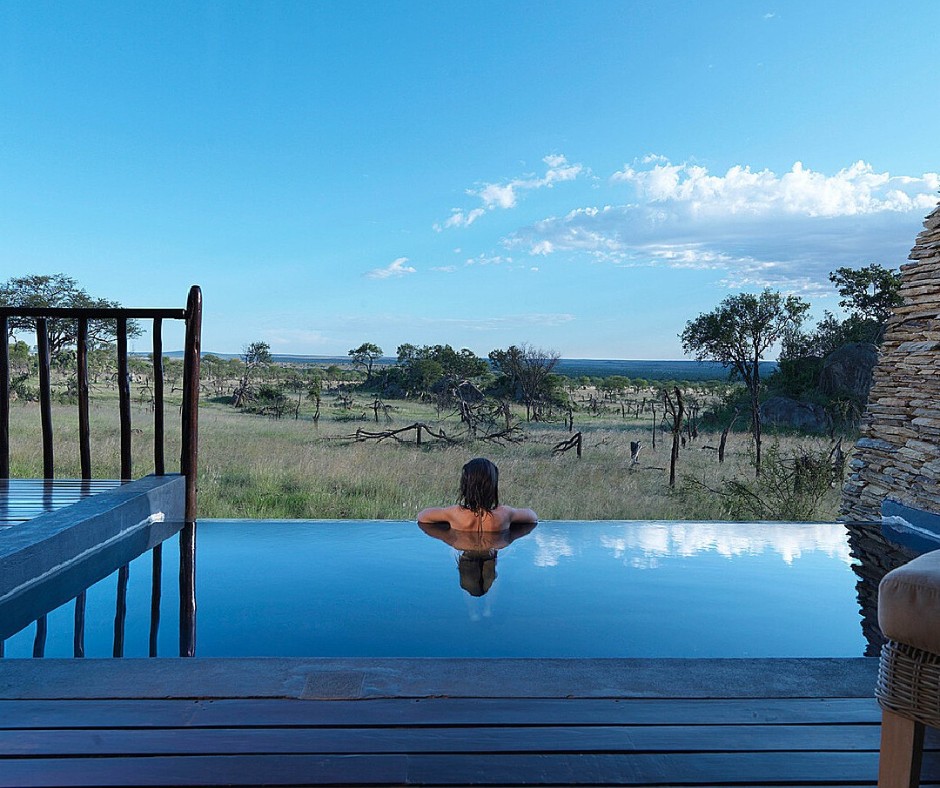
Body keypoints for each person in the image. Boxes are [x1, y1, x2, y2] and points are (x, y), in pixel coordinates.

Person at [417, 457, 537, 532]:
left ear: (465, 486)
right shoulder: (505, 514)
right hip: (494, 545)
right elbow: (532, 517)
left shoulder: (455, 514)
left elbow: (422, 516)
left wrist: (448, 538)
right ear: (493, 486)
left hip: (463, 546)